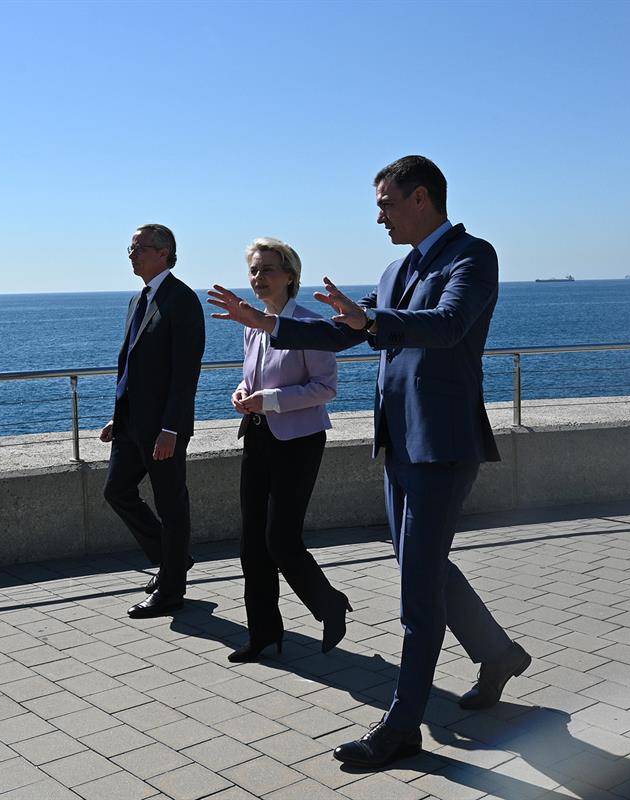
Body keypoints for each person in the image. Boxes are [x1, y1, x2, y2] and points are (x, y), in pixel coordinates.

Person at [208, 156, 529, 768]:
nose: (378, 214)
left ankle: (402, 725)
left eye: (386, 202)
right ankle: (497, 654)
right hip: (400, 441)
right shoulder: (393, 268)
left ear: (422, 198)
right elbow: (341, 333)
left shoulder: (472, 256)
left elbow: (449, 324)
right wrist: (268, 324)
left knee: (417, 587)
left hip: (443, 441)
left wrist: (374, 318)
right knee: (421, 562)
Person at [227, 237, 351, 663]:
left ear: (290, 276)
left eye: (267, 270)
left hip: (299, 442)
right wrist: (244, 393)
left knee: (280, 538)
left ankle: (329, 603)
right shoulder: (253, 322)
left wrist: (271, 400)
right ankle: (263, 632)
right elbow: (254, 378)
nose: (258, 278)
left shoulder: (310, 325)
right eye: (254, 270)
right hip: (258, 435)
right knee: (251, 543)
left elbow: (326, 388)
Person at [101, 224, 205, 619]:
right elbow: (130, 365)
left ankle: (172, 590)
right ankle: (172, 559)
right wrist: (118, 417)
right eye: (130, 247)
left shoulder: (182, 300)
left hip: (164, 428)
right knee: (116, 491)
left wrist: (172, 429)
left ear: (164, 253)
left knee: (171, 504)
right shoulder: (137, 299)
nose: (132, 254)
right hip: (131, 425)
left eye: (139, 247)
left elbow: (185, 373)